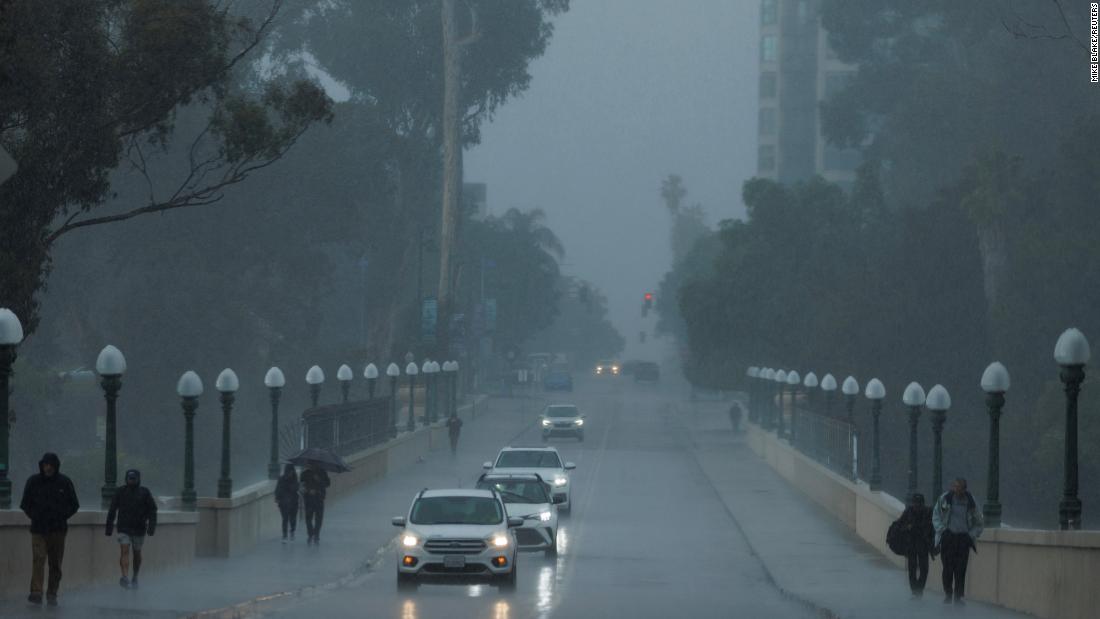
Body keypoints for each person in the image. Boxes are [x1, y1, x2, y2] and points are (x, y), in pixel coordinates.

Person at [19, 452, 80, 607]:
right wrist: (35, 516)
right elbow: (25, 504)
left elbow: (74, 505)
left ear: (55, 466)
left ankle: (52, 593)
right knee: (38, 560)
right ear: (42, 465)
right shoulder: (33, 482)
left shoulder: (64, 482)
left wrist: (61, 516)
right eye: (45, 464)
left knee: (55, 563)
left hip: (58, 530)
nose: (48, 468)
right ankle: (36, 592)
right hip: (38, 529)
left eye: (50, 465)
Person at [932, 478, 984, 605]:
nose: (957, 490)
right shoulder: (945, 499)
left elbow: (979, 522)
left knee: (961, 569)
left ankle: (958, 596)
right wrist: (942, 531)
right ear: (952, 487)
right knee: (948, 568)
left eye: (960, 487)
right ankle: (948, 594)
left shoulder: (971, 501)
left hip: (963, 539)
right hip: (948, 537)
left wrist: (971, 534)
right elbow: (936, 516)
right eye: (955, 487)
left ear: (965, 489)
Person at [105, 469, 157, 589]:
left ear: (138, 479)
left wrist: (151, 526)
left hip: (139, 528)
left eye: (134, 479)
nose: (131, 481)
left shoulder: (145, 492)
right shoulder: (120, 492)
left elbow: (152, 510)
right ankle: (125, 577)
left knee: (137, 553)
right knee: (124, 551)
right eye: (130, 478)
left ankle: (135, 576)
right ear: (126, 479)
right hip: (124, 528)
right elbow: (112, 509)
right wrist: (109, 527)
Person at [898, 493, 935, 598]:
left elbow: (933, 527)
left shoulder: (928, 512)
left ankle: (918, 589)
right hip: (912, 543)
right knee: (913, 568)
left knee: (923, 569)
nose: (917, 506)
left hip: (923, 543)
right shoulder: (908, 511)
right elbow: (900, 525)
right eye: (916, 503)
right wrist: (907, 527)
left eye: (919, 503)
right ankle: (916, 590)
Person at [300, 461, 330, 545]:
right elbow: (302, 485)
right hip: (309, 499)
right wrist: (308, 490)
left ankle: (316, 534)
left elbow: (327, 483)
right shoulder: (305, 474)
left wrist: (319, 480)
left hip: (319, 499)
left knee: (319, 518)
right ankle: (310, 534)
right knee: (308, 518)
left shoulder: (322, 473)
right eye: (310, 464)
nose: (311, 466)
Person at [275, 464, 299, 543]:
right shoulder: (282, 479)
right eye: (289, 471)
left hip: (293, 502)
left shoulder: (295, 479)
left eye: (292, 471)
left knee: (292, 518)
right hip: (284, 503)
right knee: (285, 519)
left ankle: (292, 531)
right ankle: (284, 535)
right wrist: (278, 498)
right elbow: (278, 489)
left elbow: (295, 488)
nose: (290, 473)